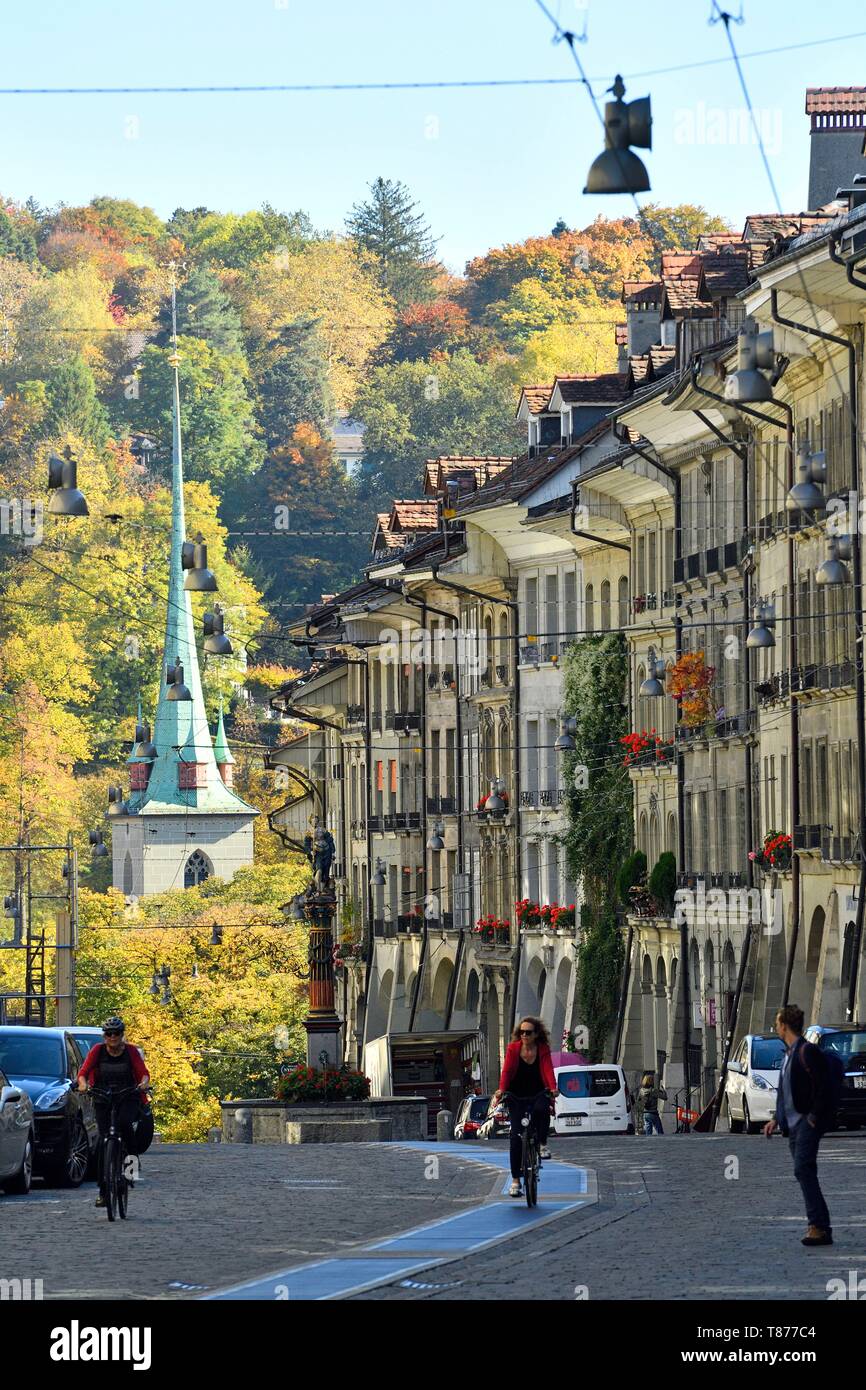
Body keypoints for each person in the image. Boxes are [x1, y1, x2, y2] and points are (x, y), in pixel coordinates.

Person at [763, 1004, 833, 1246]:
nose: (776, 1027)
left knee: (802, 1168)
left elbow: (823, 1086)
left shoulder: (807, 1051)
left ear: (785, 1025)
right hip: (792, 1125)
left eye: (777, 1023)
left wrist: (813, 1117)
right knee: (805, 1171)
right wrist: (776, 1119)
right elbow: (784, 1091)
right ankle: (820, 1225)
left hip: (806, 1121)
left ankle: (818, 1226)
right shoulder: (788, 1053)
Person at [78, 1016, 150, 1208]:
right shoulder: (97, 1051)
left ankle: (132, 1167)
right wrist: (84, 1086)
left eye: (116, 1033)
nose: (112, 1037)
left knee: (125, 1125)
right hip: (103, 1096)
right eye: (109, 1034)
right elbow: (83, 1073)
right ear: (104, 1036)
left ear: (121, 1035)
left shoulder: (131, 1052)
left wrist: (143, 1084)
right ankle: (103, 1190)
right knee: (103, 1140)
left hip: (127, 1095)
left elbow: (143, 1072)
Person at [493, 1016, 556, 1198]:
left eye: (528, 1032)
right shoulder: (513, 1049)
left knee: (542, 1109)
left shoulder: (542, 1049)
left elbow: (547, 1069)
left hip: (537, 1090)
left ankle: (542, 1143)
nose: (524, 1035)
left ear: (536, 1034)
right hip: (516, 1094)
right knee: (515, 1137)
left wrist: (552, 1088)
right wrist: (502, 1090)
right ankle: (515, 1181)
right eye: (521, 1032)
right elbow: (506, 1071)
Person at [638, 1071, 667, 1135]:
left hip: (645, 1113)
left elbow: (638, 1101)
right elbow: (665, 1097)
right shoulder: (653, 1091)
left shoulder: (641, 1090)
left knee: (648, 1133)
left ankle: (648, 1144)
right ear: (651, 1082)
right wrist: (663, 1090)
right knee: (660, 1132)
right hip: (653, 1113)